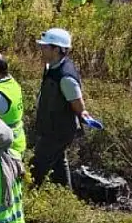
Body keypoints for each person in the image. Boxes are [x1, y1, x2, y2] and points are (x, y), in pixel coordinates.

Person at [34, 28, 90, 188]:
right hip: (51, 126)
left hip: (58, 130)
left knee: (37, 164)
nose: (41, 49)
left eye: (45, 47)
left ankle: (29, 194)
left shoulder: (65, 76)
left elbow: (78, 104)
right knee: (59, 164)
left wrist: (84, 115)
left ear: (57, 49)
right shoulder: (52, 66)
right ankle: (65, 194)